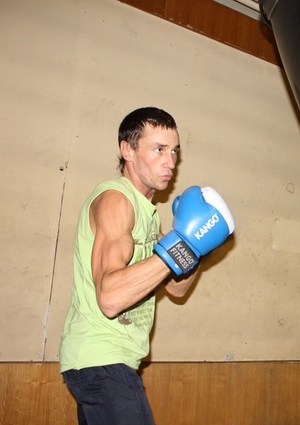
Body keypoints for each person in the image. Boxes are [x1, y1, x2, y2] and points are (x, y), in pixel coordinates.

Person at [59, 107, 233, 425]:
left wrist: (197, 249)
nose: (171, 162)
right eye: (159, 149)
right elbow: (109, 297)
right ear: (127, 150)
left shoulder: (149, 216)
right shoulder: (116, 201)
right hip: (102, 356)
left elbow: (177, 289)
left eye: (174, 151)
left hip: (112, 362)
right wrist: (181, 244)